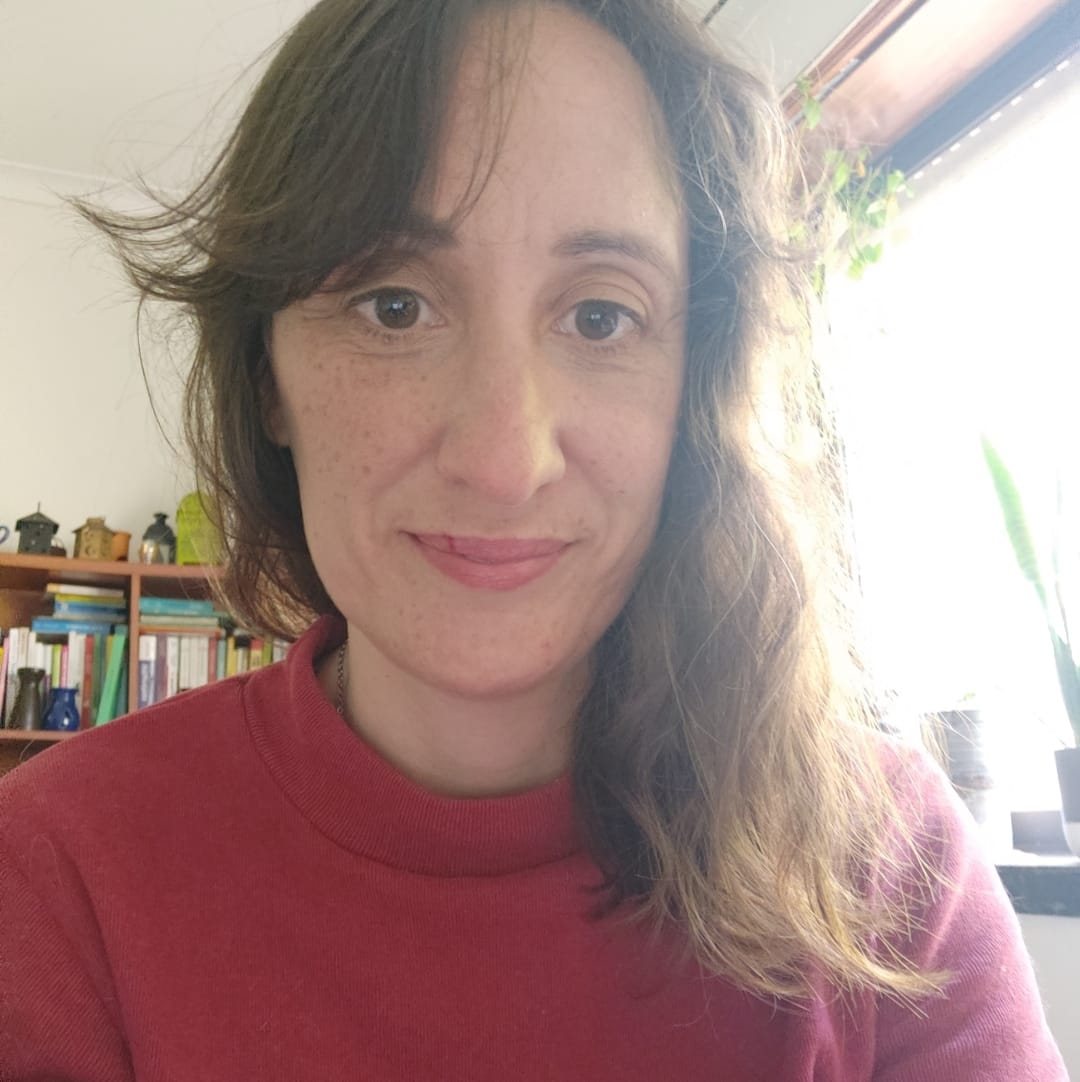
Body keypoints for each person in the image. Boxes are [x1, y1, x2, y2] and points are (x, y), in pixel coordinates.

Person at [0, 0, 1066, 1078]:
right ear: (266, 374)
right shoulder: (54, 878)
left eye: (601, 316)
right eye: (394, 306)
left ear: (695, 386)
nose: (505, 460)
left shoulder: (893, 877)